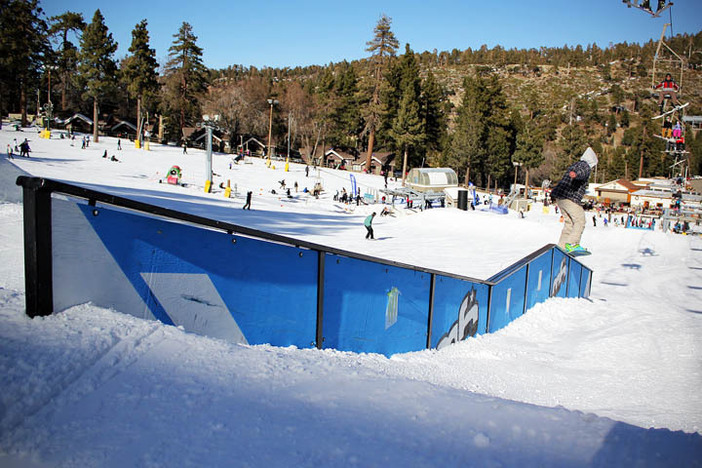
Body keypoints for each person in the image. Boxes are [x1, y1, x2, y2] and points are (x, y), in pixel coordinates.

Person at [550, 147, 598, 254]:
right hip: (569, 197)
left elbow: (576, 170)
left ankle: (562, 247)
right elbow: (581, 172)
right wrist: (576, 174)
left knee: (569, 223)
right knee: (580, 220)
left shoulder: (576, 164)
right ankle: (572, 244)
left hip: (560, 197)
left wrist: (575, 173)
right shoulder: (585, 166)